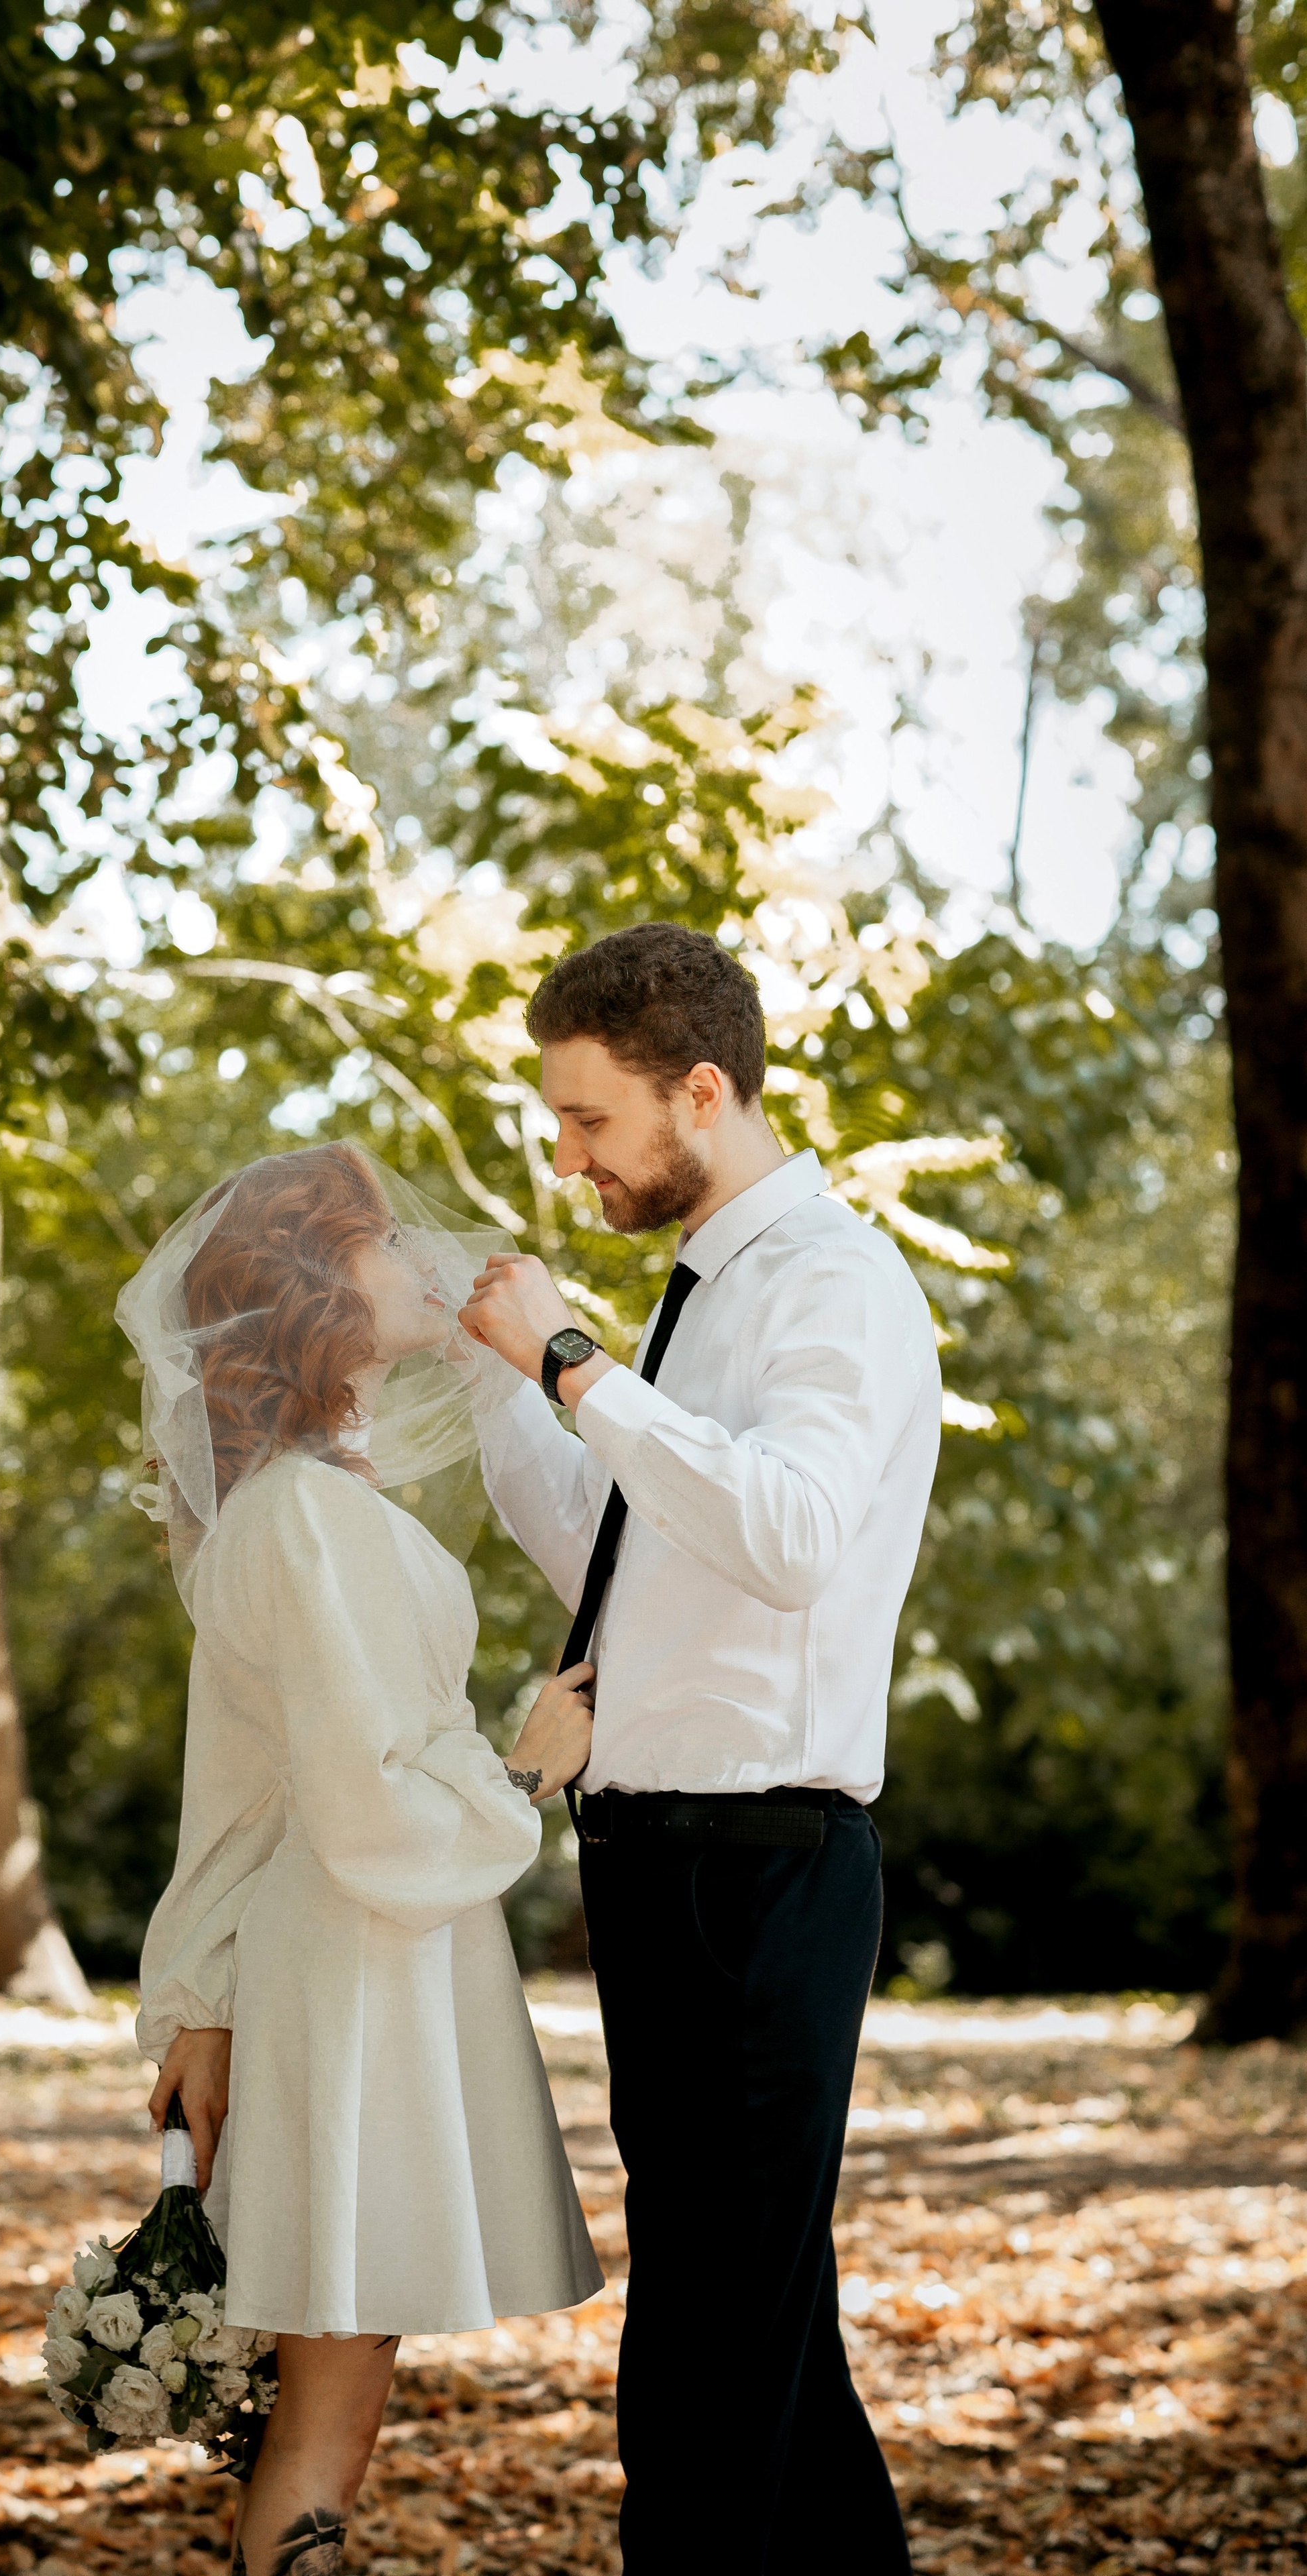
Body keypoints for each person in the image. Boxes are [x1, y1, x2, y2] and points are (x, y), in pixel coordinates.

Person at [458, 922, 938, 2574]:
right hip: (657, 1867)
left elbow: (793, 1533)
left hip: (762, 1874)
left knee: (705, 2370)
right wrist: (503, 1386)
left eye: (588, 1120)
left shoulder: (830, 1283)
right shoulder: (706, 1298)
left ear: (703, 1091)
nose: (566, 1155)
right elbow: (618, 1539)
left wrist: (572, 1362)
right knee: (755, 2336)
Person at [115, 1142, 603, 2576]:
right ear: (322, 1292)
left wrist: (199, 1997)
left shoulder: (295, 1506)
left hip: (349, 1965)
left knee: (327, 2406)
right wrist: (521, 1764)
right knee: (323, 2426)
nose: (419, 1263)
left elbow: (240, 1797)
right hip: (355, 1975)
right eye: (384, 1244)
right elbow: (361, 1805)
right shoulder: (306, 1524)